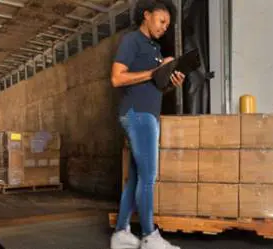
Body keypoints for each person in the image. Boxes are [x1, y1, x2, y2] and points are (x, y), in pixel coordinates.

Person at [109, 0, 185, 248]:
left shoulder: (154, 48)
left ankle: (121, 233)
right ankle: (149, 236)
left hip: (147, 114)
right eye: (162, 21)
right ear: (147, 15)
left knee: (136, 177)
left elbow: (155, 86)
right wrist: (155, 71)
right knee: (149, 176)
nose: (165, 27)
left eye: (168, 24)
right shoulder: (133, 41)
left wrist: (170, 79)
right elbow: (117, 78)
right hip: (137, 114)